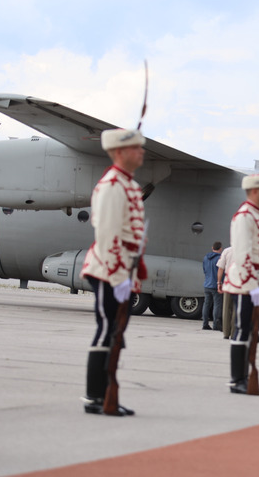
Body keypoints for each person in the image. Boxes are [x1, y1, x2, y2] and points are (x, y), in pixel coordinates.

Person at [79, 128, 147, 416]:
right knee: (107, 329)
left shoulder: (128, 185)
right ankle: (95, 396)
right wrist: (120, 276)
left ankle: (107, 392)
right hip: (108, 269)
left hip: (121, 271)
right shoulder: (112, 185)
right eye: (136, 147)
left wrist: (131, 276)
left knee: (115, 332)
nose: (141, 152)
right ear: (120, 152)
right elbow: (107, 235)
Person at [221, 174, 259, 394]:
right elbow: (242, 254)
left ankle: (244, 377)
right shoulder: (245, 216)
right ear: (255, 191)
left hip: (256, 283)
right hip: (245, 283)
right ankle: (237, 379)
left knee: (251, 331)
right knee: (242, 330)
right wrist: (252, 285)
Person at [202, 241, 223, 331]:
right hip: (216, 285)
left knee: (206, 304)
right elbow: (222, 272)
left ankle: (205, 324)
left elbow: (204, 269)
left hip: (207, 284)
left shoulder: (206, 258)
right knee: (217, 305)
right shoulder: (220, 259)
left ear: (212, 248)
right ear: (220, 249)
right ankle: (215, 324)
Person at [217, 245, 234, 339]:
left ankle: (226, 333)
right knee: (236, 308)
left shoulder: (227, 251)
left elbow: (220, 268)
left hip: (228, 280)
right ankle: (234, 333)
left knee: (226, 308)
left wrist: (219, 282)